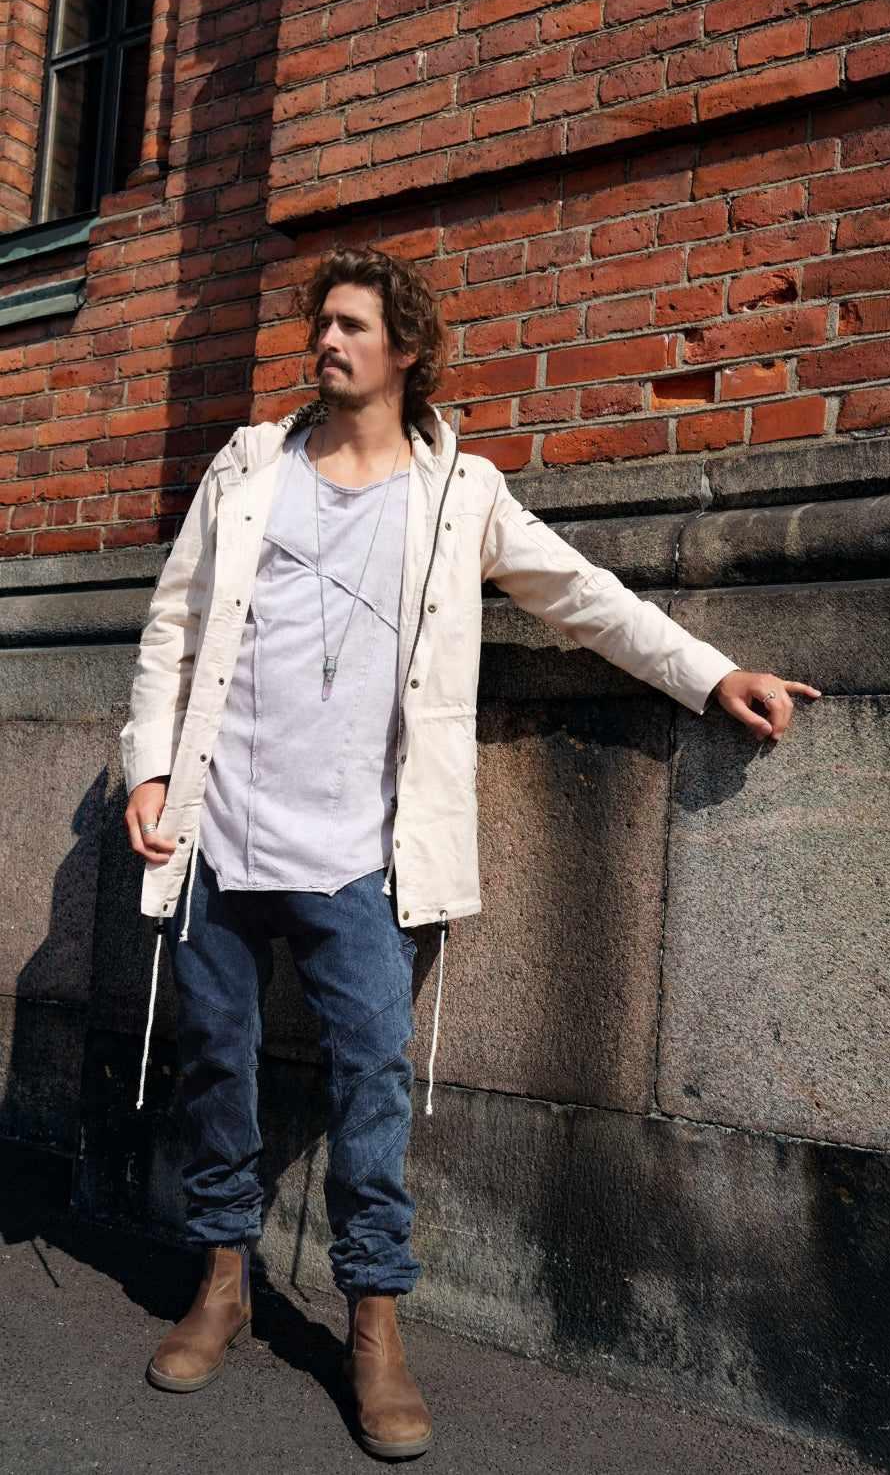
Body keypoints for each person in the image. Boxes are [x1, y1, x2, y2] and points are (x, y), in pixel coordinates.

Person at [120, 244, 821, 1459]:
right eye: (319, 325)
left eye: (349, 326)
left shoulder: (459, 494)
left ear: (405, 350)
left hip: (359, 853)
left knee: (371, 1085)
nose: (324, 343)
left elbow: (588, 597)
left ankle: (375, 1321)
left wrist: (713, 675)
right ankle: (222, 1282)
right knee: (213, 1065)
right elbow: (172, 626)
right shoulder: (245, 470)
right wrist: (149, 766)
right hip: (220, 832)